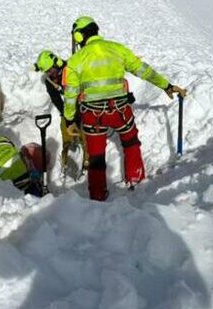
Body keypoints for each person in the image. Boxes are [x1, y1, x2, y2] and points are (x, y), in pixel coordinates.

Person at [62, 16, 187, 201]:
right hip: (120, 112)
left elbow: (71, 94)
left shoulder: (75, 61)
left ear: (79, 37)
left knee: (96, 157)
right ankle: (135, 180)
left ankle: (97, 196)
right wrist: (167, 86)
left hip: (93, 116)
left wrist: (70, 119)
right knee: (131, 143)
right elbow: (144, 70)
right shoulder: (117, 49)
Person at [34, 50, 89, 180]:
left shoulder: (71, 70)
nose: (49, 73)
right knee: (65, 124)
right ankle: (67, 152)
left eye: (50, 70)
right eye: (46, 71)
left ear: (56, 63)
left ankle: (87, 158)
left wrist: (78, 113)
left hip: (85, 101)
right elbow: (57, 100)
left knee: (85, 128)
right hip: (69, 106)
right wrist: (67, 116)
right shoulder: (50, 81)